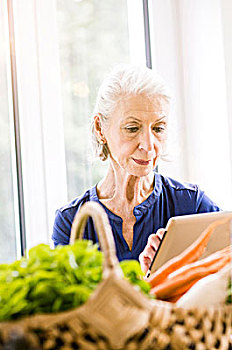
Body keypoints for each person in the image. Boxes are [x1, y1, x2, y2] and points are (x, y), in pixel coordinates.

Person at [52, 64, 220, 272]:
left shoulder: (191, 205)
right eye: (132, 128)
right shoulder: (72, 221)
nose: (148, 146)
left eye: (158, 128)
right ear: (99, 129)